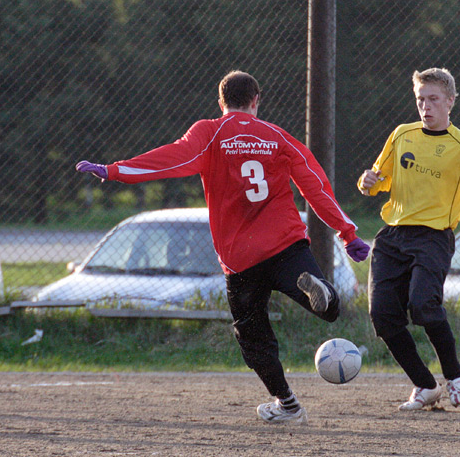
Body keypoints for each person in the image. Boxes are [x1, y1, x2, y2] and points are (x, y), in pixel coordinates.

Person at [76, 70, 370, 425]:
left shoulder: (209, 132)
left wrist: (115, 170)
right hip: (285, 245)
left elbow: (171, 159)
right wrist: (348, 233)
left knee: (252, 335)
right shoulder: (278, 137)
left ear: (221, 102)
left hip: (240, 259)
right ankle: (318, 289)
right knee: (329, 311)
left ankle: (288, 404)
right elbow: (315, 186)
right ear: (256, 101)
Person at [357, 67, 460, 411]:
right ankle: (425, 386)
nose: (425, 107)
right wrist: (368, 181)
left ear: (451, 102)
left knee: (423, 304)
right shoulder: (402, 135)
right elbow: (379, 180)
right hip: (392, 237)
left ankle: (455, 377)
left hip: (433, 238)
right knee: (382, 315)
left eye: (433, 99)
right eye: (420, 99)